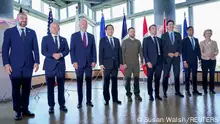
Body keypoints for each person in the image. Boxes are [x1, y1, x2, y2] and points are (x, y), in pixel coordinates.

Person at [2, 12, 39, 120]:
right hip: (14, 67)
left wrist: (37, 61)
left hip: (28, 65)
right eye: (22, 17)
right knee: (16, 89)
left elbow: (35, 49)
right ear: (17, 19)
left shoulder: (32, 32)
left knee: (27, 89)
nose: (24, 19)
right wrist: (6, 64)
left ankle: (25, 109)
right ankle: (18, 110)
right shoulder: (9, 32)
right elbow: (5, 49)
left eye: (26, 18)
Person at [41, 23, 69, 114]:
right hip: (49, 67)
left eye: (57, 27)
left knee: (61, 87)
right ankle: (51, 106)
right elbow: (43, 51)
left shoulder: (63, 39)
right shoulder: (45, 39)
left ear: (59, 29)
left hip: (60, 66)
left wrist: (60, 54)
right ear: (50, 28)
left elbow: (67, 50)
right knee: (50, 88)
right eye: (53, 27)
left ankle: (62, 105)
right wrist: (52, 55)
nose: (55, 29)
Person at [70, 18, 97, 108]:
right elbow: (72, 50)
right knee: (79, 83)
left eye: (85, 24)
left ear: (87, 25)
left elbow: (94, 50)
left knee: (89, 83)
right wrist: (73, 61)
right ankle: (79, 102)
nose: (84, 25)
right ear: (79, 25)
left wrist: (94, 61)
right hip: (78, 64)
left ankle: (89, 101)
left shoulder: (91, 36)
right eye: (82, 24)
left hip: (89, 64)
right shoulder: (74, 36)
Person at [99, 24, 123, 105]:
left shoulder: (117, 40)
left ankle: (115, 99)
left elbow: (119, 52)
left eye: (112, 29)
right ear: (106, 31)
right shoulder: (102, 40)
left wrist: (121, 63)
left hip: (115, 65)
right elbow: (100, 53)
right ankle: (106, 99)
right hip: (106, 65)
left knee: (115, 83)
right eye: (109, 29)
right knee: (106, 83)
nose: (110, 30)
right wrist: (101, 64)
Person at [161, 20, 184, 98]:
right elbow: (162, 47)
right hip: (167, 58)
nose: (171, 26)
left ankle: (177, 91)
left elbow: (180, 45)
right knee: (165, 75)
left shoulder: (178, 34)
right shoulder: (163, 35)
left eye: (172, 24)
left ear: (173, 26)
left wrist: (178, 52)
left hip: (176, 58)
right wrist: (168, 53)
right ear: (167, 26)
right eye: (169, 24)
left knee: (177, 75)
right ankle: (164, 92)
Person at [121, 27, 143, 102]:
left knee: (136, 80)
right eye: (131, 31)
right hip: (127, 65)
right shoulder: (125, 42)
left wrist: (142, 61)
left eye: (133, 31)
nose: (132, 33)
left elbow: (141, 53)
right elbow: (122, 53)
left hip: (136, 64)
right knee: (128, 80)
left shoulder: (138, 42)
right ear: (128, 33)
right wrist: (123, 63)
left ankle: (137, 94)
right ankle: (128, 94)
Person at [142, 24, 163, 101]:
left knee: (157, 79)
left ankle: (157, 94)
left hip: (159, 63)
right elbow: (144, 52)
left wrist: (162, 61)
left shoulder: (159, 40)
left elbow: (162, 51)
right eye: (153, 28)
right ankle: (150, 94)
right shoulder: (146, 40)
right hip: (150, 63)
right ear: (149, 30)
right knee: (150, 79)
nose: (154, 29)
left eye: (155, 28)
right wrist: (147, 62)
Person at [182, 26, 202, 96]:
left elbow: (198, 50)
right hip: (187, 61)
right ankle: (187, 90)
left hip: (194, 61)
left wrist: (199, 59)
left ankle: (195, 90)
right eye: (190, 30)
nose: (191, 31)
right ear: (187, 31)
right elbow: (183, 51)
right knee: (187, 76)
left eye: (192, 30)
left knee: (194, 76)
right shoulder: (184, 40)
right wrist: (184, 61)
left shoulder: (196, 40)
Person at [200, 29, 219, 94]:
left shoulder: (214, 42)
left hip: (213, 60)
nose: (209, 34)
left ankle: (212, 89)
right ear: (204, 34)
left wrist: (214, 54)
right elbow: (201, 52)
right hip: (205, 60)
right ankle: (205, 89)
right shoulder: (202, 42)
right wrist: (207, 56)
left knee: (212, 75)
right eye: (207, 33)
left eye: (210, 33)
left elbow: (217, 50)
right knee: (204, 75)